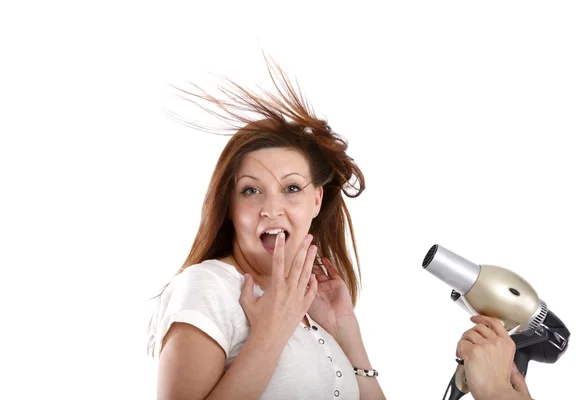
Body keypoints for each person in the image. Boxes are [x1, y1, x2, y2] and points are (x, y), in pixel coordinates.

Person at [146, 55, 533, 400]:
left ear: (316, 200)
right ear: (228, 206)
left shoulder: (311, 306)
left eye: (292, 188)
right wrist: (270, 334)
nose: (271, 209)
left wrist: (348, 336)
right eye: (251, 191)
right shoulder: (208, 287)